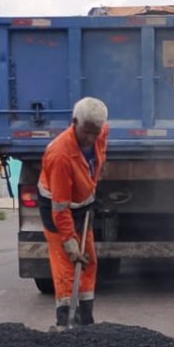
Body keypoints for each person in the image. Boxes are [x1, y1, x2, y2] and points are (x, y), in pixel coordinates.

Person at [36, 97, 108, 327]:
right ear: (74, 122)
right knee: (66, 265)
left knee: (88, 260)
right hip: (56, 207)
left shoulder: (100, 132)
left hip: (82, 204)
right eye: (86, 132)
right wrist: (69, 240)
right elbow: (60, 207)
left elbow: (100, 150)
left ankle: (85, 318)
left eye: (94, 134)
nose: (90, 139)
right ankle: (66, 320)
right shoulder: (60, 155)